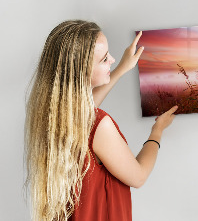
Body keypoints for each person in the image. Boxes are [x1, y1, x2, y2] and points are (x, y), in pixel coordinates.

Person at [24, 20, 178, 221]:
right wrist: (157, 131)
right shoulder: (100, 125)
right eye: (105, 59)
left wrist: (122, 68)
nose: (113, 59)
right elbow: (138, 176)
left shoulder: (53, 115)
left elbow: (85, 112)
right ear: (82, 72)